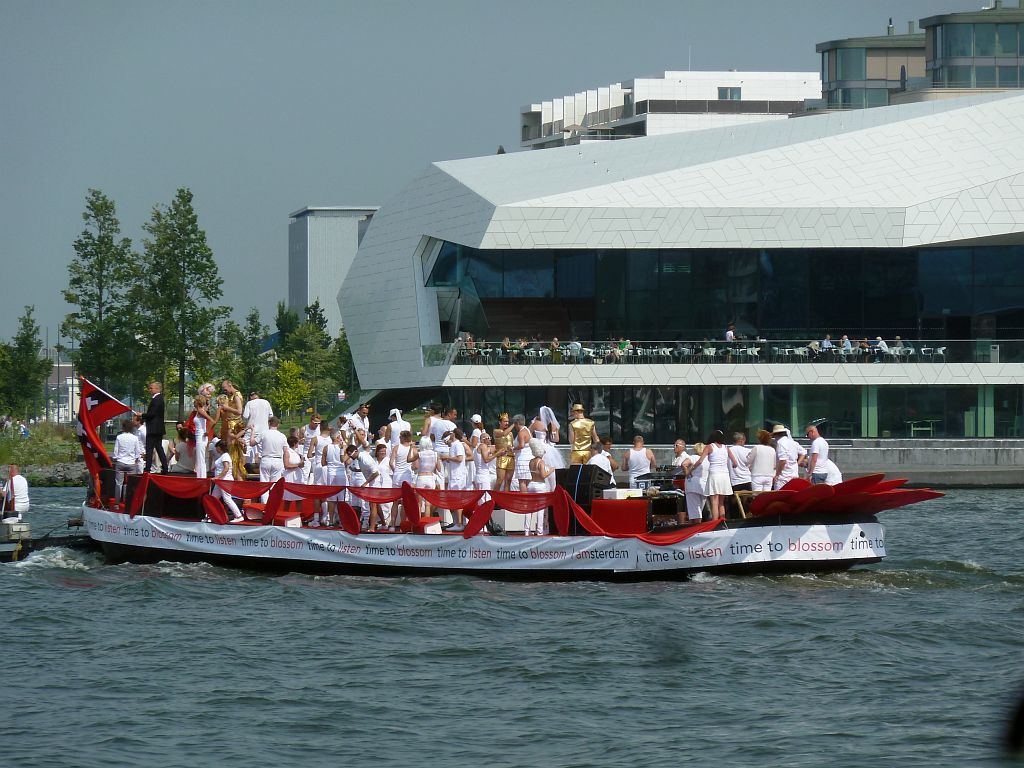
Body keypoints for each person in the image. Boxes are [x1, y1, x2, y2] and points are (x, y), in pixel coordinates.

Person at [687, 430, 735, 521]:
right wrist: (733, 466)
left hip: (714, 474)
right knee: (721, 502)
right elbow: (735, 463)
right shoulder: (726, 448)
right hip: (725, 476)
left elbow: (700, 461)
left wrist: (691, 469)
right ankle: (723, 521)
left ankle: (714, 523)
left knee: (714, 502)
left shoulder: (709, 447)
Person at [136, 381, 168, 474]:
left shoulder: (156, 399)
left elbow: (152, 414)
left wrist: (142, 415)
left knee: (149, 448)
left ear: (157, 389)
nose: (150, 390)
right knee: (158, 448)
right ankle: (165, 467)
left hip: (153, 428)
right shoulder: (159, 399)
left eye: (151, 388)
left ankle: (147, 468)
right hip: (158, 428)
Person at [524, 438, 555, 536]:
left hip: (531, 484)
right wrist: (550, 470)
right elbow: (543, 475)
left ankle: (526, 530)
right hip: (540, 485)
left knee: (529, 508)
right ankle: (539, 530)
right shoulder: (541, 462)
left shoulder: (531, 461)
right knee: (540, 509)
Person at [255, 416, 287, 501]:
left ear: (269, 423)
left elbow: (252, 443)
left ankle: (264, 505)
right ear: (278, 425)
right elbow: (286, 451)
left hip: (266, 459)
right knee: (275, 485)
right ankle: (273, 504)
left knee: (264, 484)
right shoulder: (282, 436)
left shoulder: (264, 433)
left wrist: (252, 432)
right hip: (277, 460)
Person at [210, 442, 244, 523]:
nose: (216, 449)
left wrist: (217, 477)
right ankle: (210, 515)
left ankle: (239, 515)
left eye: (216, 447)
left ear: (219, 447)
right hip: (220, 482)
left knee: (227, 498)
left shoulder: (225, 456)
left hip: (225, 481)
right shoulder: (221, 456)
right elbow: (218, 467)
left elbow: (226, 468)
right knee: (213, 498)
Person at [111, 418, 141, 505]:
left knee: (118, 483)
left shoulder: (119, 437)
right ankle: (127, 502)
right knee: (130, 484)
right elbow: (137, 452)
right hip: (131, 463)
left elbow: (116, 451)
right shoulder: (135, 438)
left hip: (120, 462)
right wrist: (135, 460)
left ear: (123, 427)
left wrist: (115, 458)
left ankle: (117, 503)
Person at [772, 424, 805, 489]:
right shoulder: (793, 442)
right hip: (794, 475)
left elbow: (783, 461)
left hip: (783, 477)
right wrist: (797, 463)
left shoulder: (780, 443)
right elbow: (803, 452)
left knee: (781, 494)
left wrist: (777, 475)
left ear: (776, 435)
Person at [682, 443, 707, 524]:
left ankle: (695, 528)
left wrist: (687, 473)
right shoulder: (707, 459)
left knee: (694, 511)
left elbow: (684, 464)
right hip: (704, 486)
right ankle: (696, 526)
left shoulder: (693, 457)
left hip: (692, 484)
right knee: (699, 510)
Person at [492, 413, 516, 491]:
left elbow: (512, 444)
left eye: (508, 421)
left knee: (508, 481)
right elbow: (504, 434)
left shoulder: (511, 433)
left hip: (511, 457)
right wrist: (514, 424)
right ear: (500, 422)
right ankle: (494, 496)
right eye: (505, 421)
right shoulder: (496, 431)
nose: (507, 423)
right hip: (502, 457)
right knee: (500, 480)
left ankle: (506, 496)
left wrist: (512, 448)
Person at [511, 414, 533, 492]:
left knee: (522, 481)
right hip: (528, 458)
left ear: (517, 423)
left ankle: (524, 498)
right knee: (527, 481)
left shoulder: (521, 433)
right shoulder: (527, 430)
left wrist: (512, 448)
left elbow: (521, 445)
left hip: (522, 459)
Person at [300, 413, 322, 484]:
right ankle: (303, 486)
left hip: (316, 453)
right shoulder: (304, 429)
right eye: (315, 423)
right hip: (306, 452)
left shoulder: (320, 428)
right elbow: (299, 440)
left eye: (318, 423)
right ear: (311, 421)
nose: (317, 425)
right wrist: (301, 441)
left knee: (317, 472)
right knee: (305, 472)